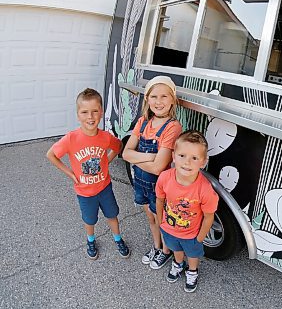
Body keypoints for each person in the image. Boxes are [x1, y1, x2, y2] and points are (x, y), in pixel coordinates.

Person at [46, 88, 130, 260]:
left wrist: (107, 160)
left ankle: (118, 238)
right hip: (84, 192)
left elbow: (118, 147)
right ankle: (90, 240)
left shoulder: (105, 137)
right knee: (89, 220)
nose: (90, 117)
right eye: (84, 112)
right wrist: (70, 173)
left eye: (94, 111)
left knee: (112, 215)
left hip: (105, 188)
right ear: (78, 115)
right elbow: (51, 155)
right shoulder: (71, 139)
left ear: (101, 112)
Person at [122, 76, 182, 269]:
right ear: (147, 99)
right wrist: (150, 157)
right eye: (154, 96)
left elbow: (158, 168)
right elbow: (125, 153)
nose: (159, 101)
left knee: (162, 219)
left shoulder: (172, 127)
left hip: (159, 186)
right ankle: (156, 247)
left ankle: (166, 251)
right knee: (150, 217)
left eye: (164, 96)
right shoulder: (143, 122)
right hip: (140, 182)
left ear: (173, 99)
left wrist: (137, 157)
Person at [155, 130, 219, 293]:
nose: (187, 162)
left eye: (194, 158)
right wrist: (161, 221)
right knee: (176, 249)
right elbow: (160, 200)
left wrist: (200, 237)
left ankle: (192, 271)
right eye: (182, 155)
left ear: (203, 162)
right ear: (174, 156)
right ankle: (178, 264)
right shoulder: (164, 178)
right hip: (169, 228)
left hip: (191, 234)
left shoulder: (205, 190)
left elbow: (208, 216)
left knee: (192, 255)